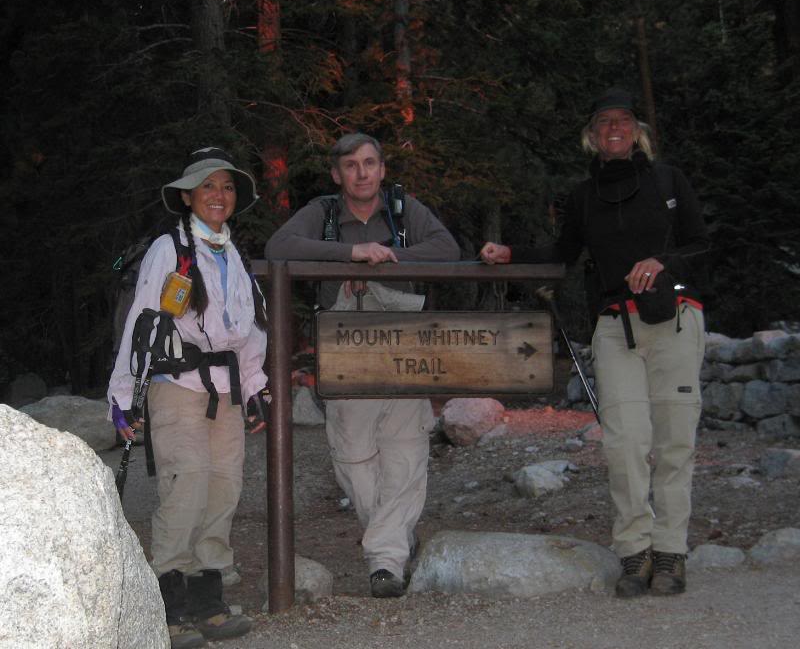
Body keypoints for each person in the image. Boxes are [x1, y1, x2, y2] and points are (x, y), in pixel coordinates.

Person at [481, 88, 709, 598]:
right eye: (604, 121)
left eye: (623, 120)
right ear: (592, 135)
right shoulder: (584, 197)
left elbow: (701, 242)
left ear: (637, 131)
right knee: (624, 443)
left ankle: (671, 552)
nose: (614, 128)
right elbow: (563, 254)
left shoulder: (669, 181)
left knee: (675, 441)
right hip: (615, 327)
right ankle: (635, 553)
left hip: (674, 319)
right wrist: (510, 253)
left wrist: (662, 262)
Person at [265, 132, 460, 597]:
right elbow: (278, 247)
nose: (362, 173)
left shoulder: (403, 208)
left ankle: (385, 562)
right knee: (352, 456)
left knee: (405, 452)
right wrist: (349, 256)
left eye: (370, 163)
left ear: (383, 168)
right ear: (337, 174)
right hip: (346, 351)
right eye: (351, 165)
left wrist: (387, 262)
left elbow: (447, 250)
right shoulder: (323, 212)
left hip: (407, 348)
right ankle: (394, 540)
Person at [108, 147, 271, 648]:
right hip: (175, 386)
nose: (218, 195)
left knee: (223, 487)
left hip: (226, 391)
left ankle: (209, 600)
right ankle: (169, 603)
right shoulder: (169, 250)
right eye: (207, 186)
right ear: (187, 196)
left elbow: (250, 331)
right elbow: (142, 322)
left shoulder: (233, 254)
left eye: (226, 186)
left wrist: (255, 390)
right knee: (186, 487)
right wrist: (121, 397)